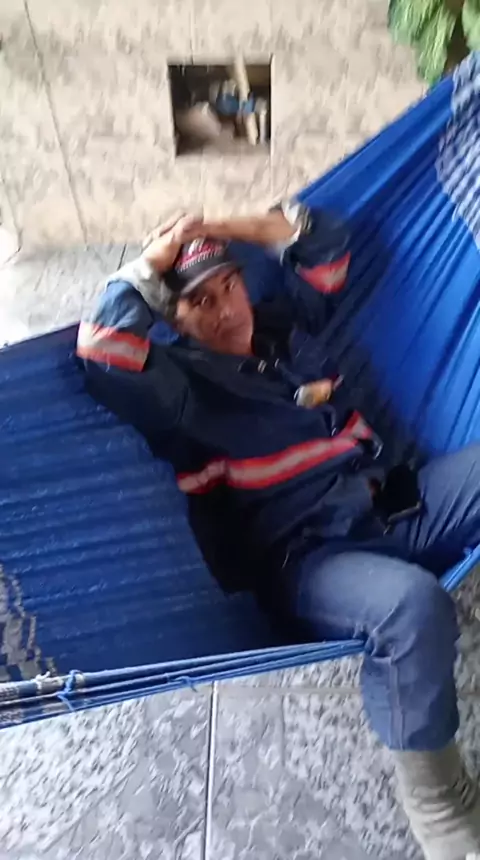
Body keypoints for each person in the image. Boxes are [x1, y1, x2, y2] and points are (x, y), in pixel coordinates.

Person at [77, 202, 480, 860]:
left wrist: (221, 227)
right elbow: (103, 349)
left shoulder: (284, 327)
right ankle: (441, 807)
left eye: (229, 285)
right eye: (200, 302)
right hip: (309, 558)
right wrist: (152, 263)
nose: (225, 310)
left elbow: (325, 247)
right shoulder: (178, 387)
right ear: (173, 319)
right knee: (412, 609)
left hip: (391, 503)